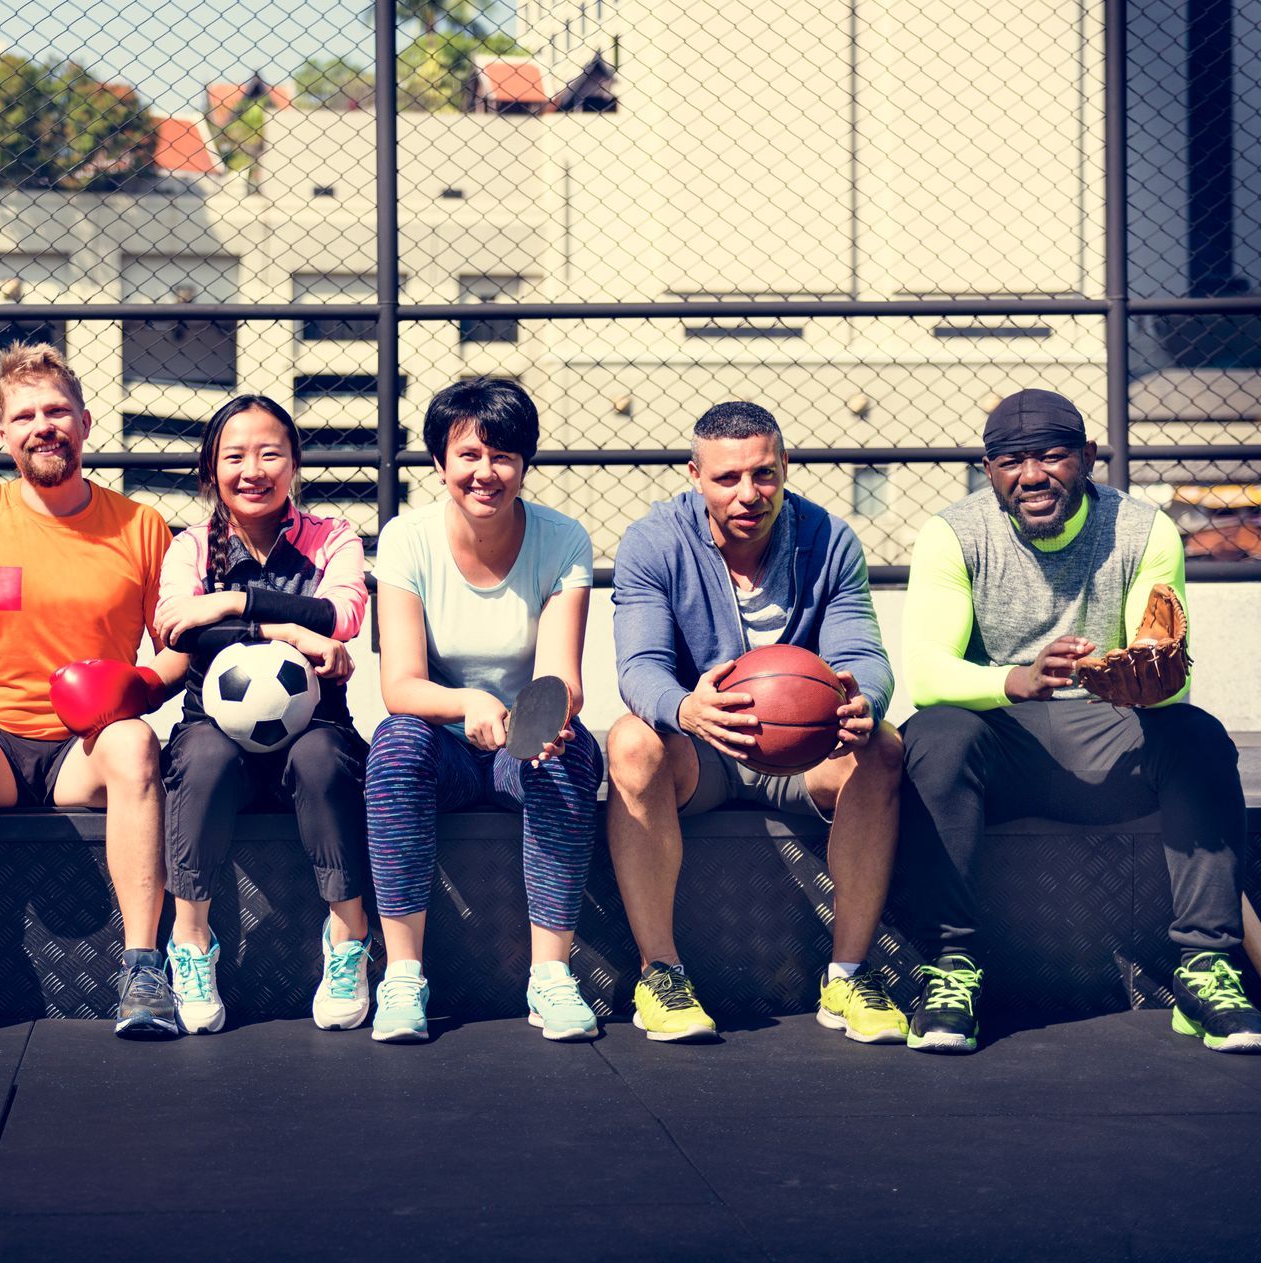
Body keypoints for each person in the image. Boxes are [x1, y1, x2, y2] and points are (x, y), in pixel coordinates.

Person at [893, 388, 1259, 1054]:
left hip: (1107, 737)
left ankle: (1206, 968)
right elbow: (925, 676)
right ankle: (950, 968)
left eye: (1052, 456)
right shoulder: (954, 532)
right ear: (988, 470)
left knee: (1199, 736)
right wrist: (1019, 679)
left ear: (1087, 457)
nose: (1032, 476)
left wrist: (1145, 679)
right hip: (1003, 737)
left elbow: (1167, 675)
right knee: (934, 735)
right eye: (1011, 462)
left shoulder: (1145, 529)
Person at [0, 343, 188, 1040]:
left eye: (57, 411)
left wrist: (140, 683)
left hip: (85, 744)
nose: (42, 425)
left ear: (85, 422)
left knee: (138, 745)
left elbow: (179, 650)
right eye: (24, 415)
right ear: (3, 434)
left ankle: (143, 967)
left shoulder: (140, 525)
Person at [607, 401, 905, 1044]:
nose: (750, 493)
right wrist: (685, 708)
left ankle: (849, 975)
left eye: (764, 474)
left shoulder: (829, 539)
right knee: (630, 741)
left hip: (802, 750)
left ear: (785, 467)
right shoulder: (654, 540)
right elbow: (639, 667)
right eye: (727, 478)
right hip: (704, 748)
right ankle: (660, 973)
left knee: (882, 745)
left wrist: (864, 701)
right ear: (694, 474)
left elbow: (863, 657)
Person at [365, 377, 604, 1043]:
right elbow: (401, 684)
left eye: (503, 456)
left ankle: (550, 976)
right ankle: (404, 975)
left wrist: (542, 723)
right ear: (440, 464)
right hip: (442, 741)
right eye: (468, 455)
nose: (486, 472)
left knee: (575, 752)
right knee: (394, 744)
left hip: (519, 746)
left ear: (524, 464)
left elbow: (562, 679)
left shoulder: (563, 541)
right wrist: (469, 701)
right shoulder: (404, 540)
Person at [152, 395, 372, 1034]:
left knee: (322, 760)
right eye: (235, 456)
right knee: (200, 759)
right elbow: (176, 630)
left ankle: (348, 937)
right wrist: (293, 633)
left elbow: (343, 617)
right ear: (210, 469)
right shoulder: (190, 546)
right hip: (212, 725)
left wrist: (230, 605)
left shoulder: (334, 537)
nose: (254, 469)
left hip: (315, 724)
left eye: (270, 453)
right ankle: (191, 944)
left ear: (295, 463)